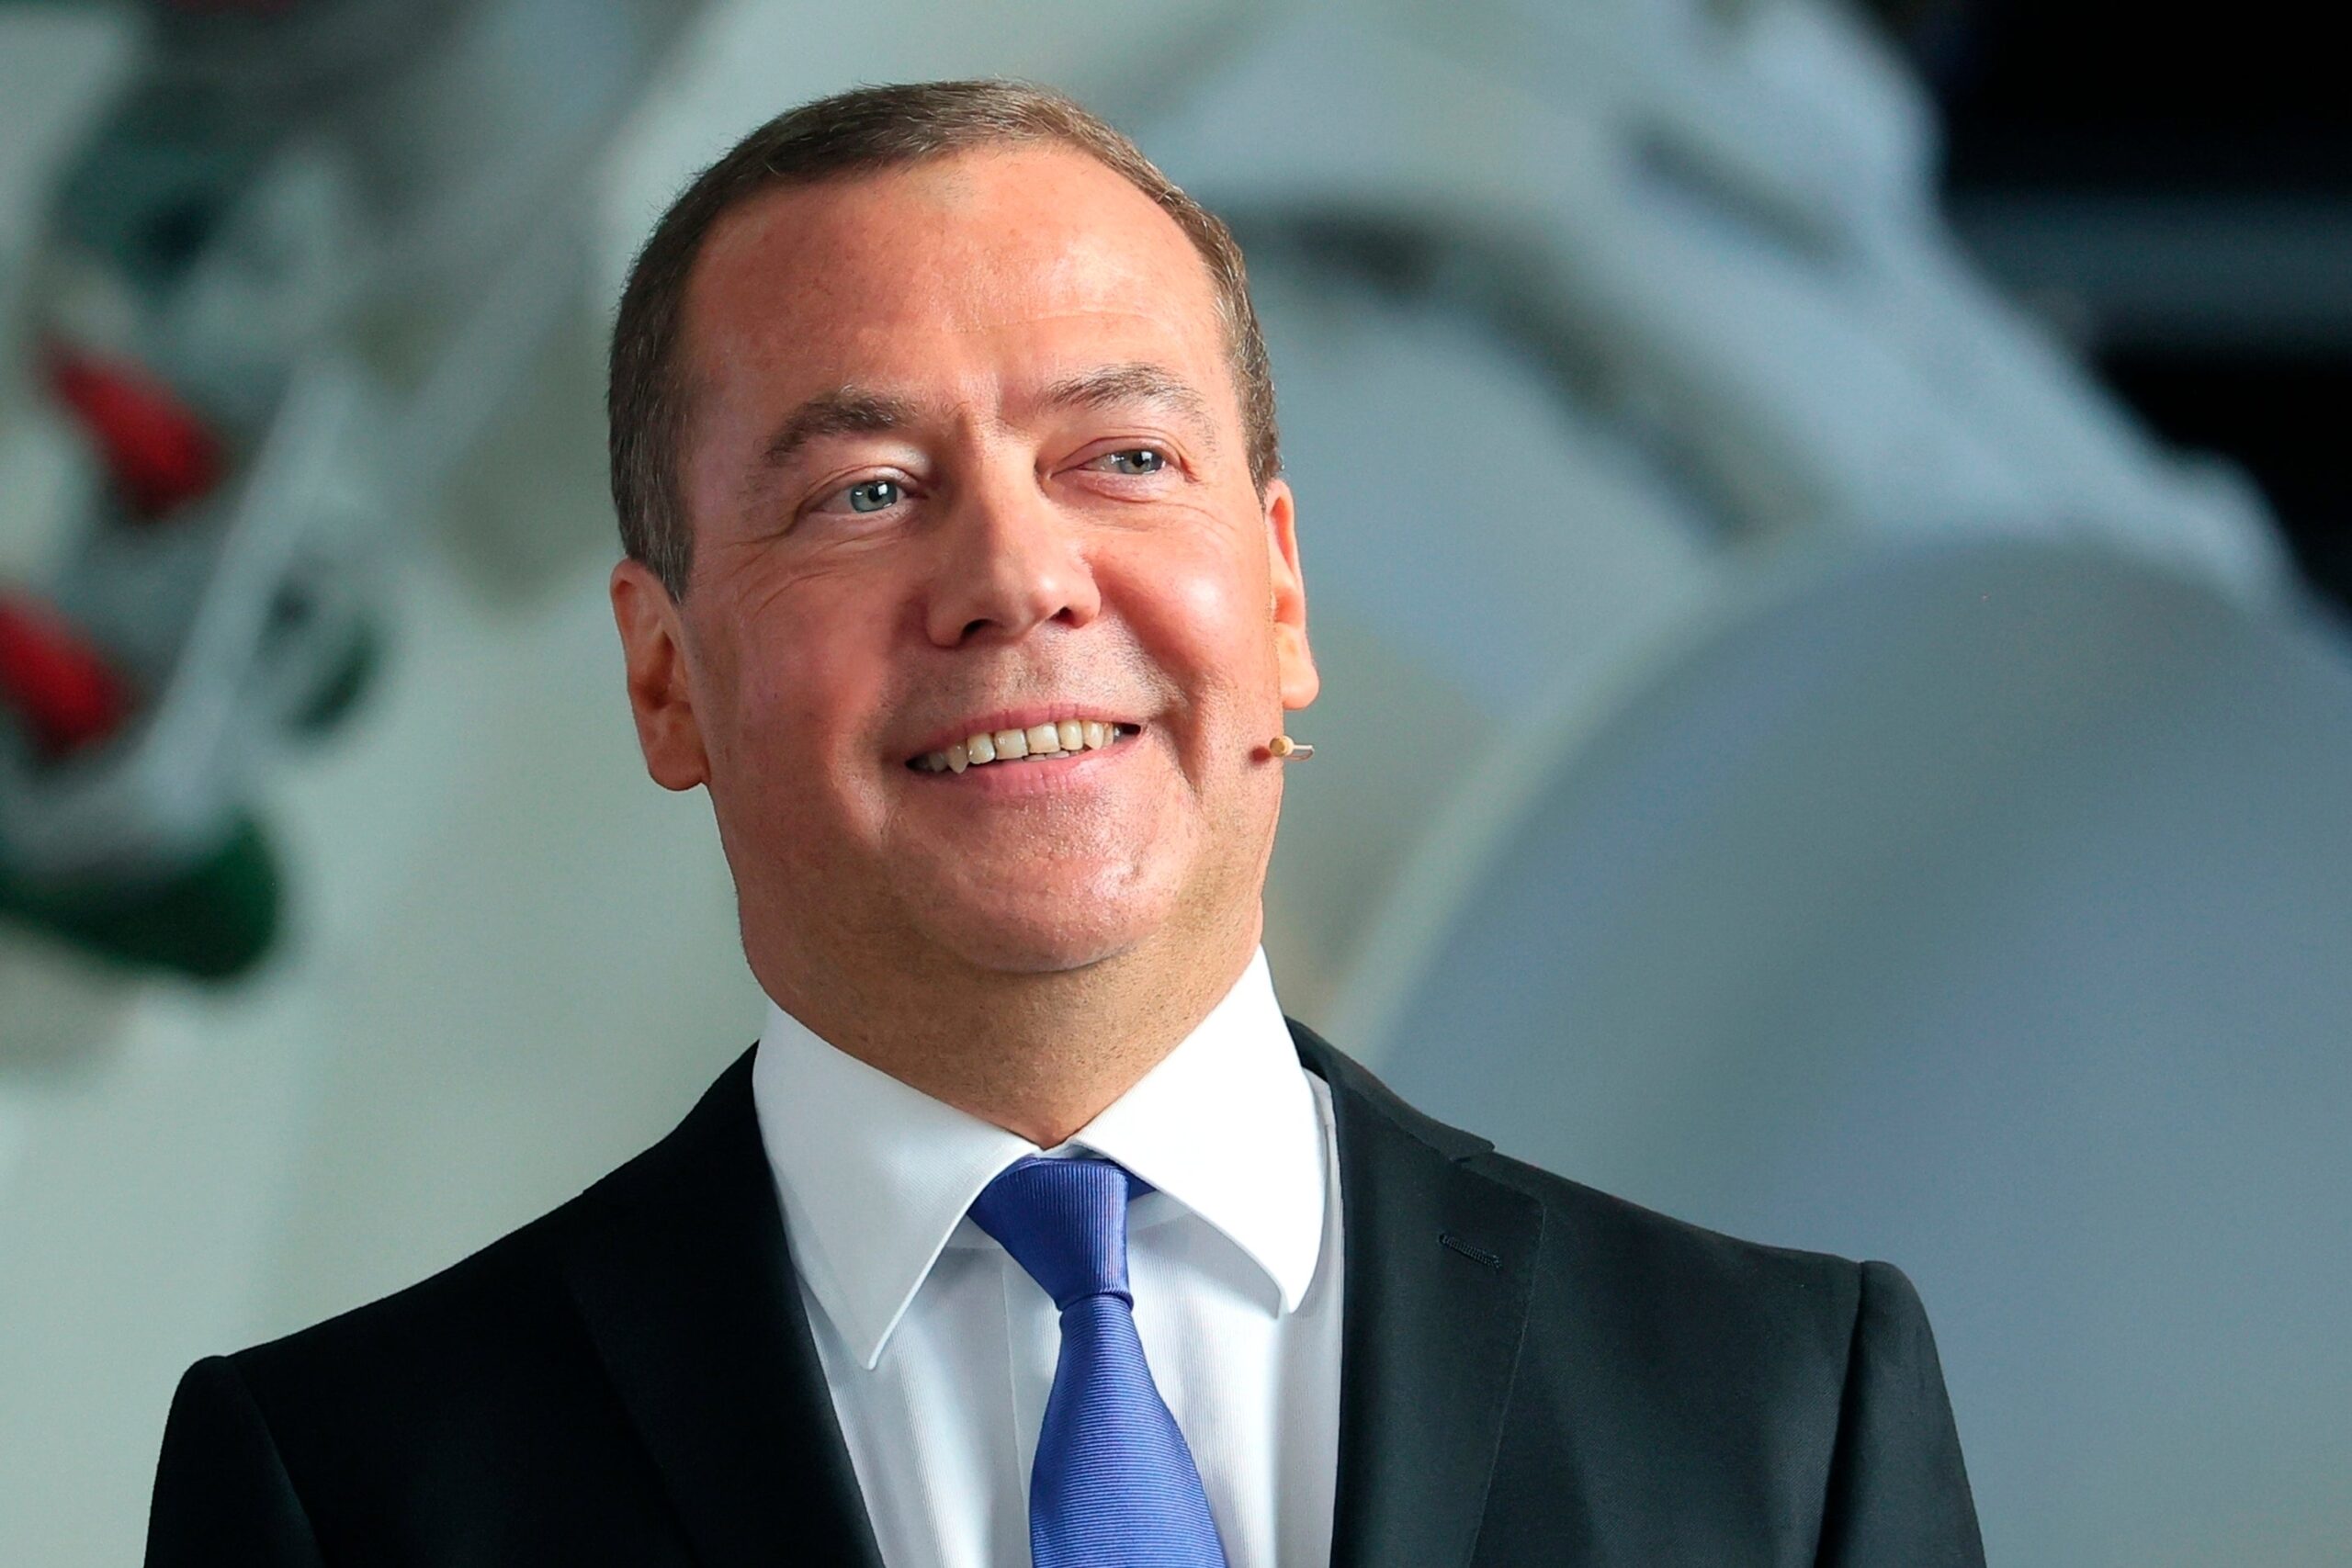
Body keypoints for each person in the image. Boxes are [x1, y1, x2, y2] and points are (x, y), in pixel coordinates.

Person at [144, 80, 1984, 1566]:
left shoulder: (1781, 1413)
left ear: (1279, 595)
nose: (1018, 575)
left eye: (1123, 459)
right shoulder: (347, 1490)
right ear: (664, 677)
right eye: (867, 490)